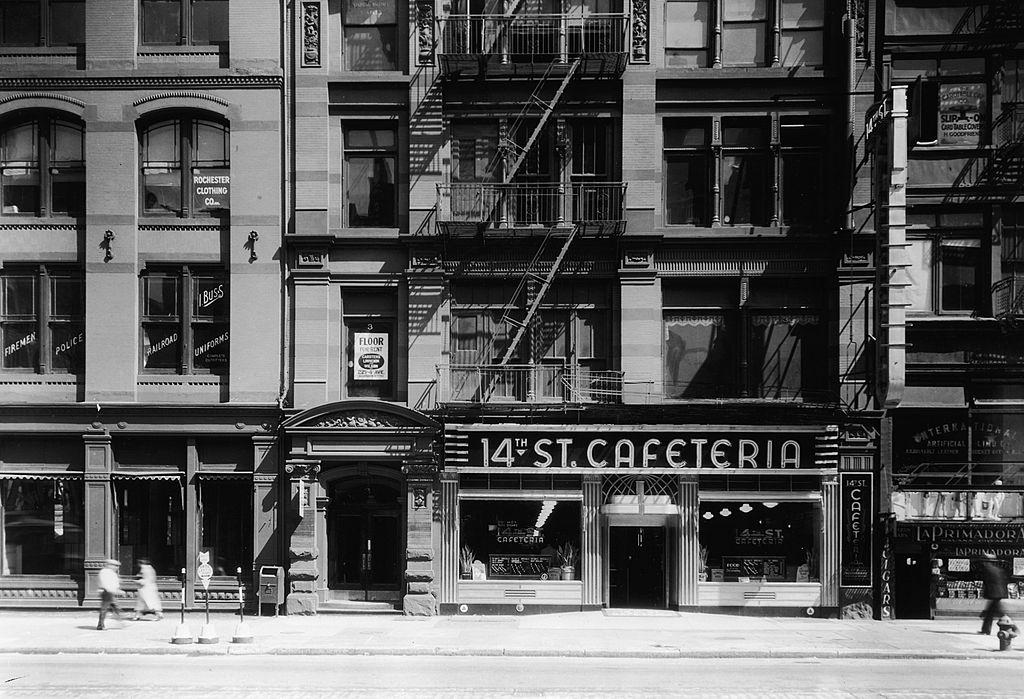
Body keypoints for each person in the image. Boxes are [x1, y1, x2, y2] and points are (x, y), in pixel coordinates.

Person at [979, 551, 1008, 635]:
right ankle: (985, 630)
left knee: (995, 612)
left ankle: (1013, 627)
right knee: (991, 612)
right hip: (997, 593)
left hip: (995, 593)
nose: (982, 562)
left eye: (983, 560)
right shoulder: (995, 569)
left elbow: (989, 583)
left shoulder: (988, 569)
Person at [96, 559, 127, 630]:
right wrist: (115, 590)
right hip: (107, 592)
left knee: (115, 607)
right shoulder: (105, 572)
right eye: (115, 566)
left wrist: (117, 589)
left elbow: (114, 583)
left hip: (110, 592)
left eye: (117, 566)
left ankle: (121, 622)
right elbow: (106, 583)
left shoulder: (111, 573)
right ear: (110, 565)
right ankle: (100, 625)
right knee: (105, 609)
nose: (117, 568)